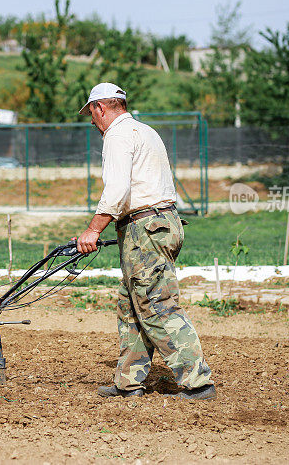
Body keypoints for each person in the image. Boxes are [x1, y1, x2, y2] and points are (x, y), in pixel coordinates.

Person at [75, 82, 216, 400]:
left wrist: (93, 229)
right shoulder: (144, 131)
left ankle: (198, 382)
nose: (92, 122)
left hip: (145, 228)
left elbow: (118, 189)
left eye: (92, 114)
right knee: (131, 306)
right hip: (160, 223)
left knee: (156, 304)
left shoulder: (117, 135)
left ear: (101, 107)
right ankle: (129, 382)